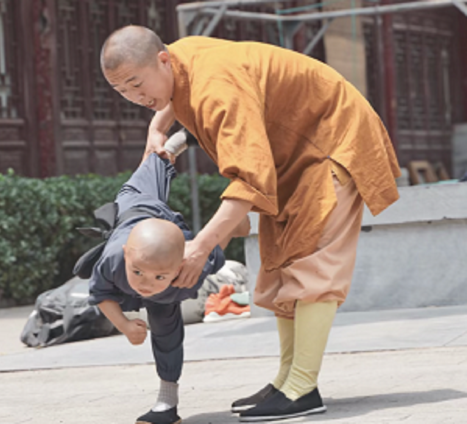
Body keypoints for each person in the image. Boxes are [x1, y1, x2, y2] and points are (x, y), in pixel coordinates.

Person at [100, 26, 401, 422]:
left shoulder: (216, 87)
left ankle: (302, 387)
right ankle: (286, 380)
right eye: (123, 92)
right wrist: (158, 127)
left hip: (331, 141)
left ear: (161, 60)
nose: (137, 98)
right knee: (280, 262)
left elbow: (250, 180)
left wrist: (202, 245)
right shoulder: (182, 59)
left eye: (137, 85)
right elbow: (179, 91)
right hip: (290, 155)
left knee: (312, 263)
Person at [81, 150, 250, 424]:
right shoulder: (113, 259)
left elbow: (212, 251)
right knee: (154, 158)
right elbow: (100, 293)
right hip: (136, 209)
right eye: (138, 273)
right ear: (126, 255)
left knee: (166, 330)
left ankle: (167, 402)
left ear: (177, 269)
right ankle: (171, 137)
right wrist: (123, 324)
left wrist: (228, 227)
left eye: (159, 277)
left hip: (173, 247)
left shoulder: (186, 271)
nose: (146, 284)